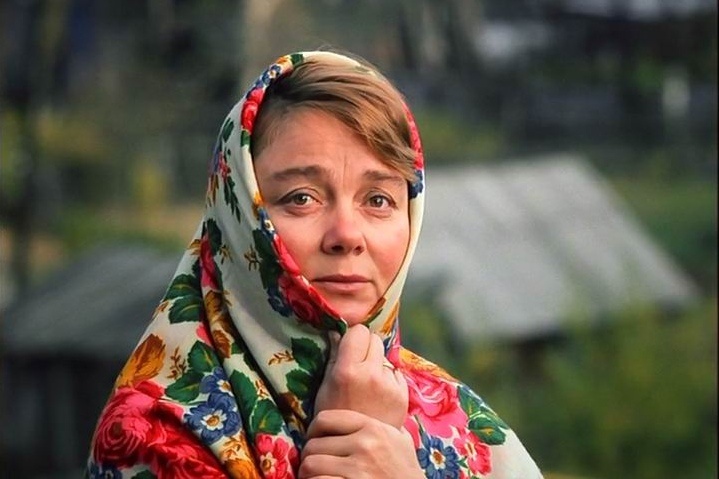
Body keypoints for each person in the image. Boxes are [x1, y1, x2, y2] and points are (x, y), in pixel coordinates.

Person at [86, 50, 543, 479]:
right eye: (301, 198)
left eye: (378, 200)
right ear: (239, 213)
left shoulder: (459, 419)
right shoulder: (156, 429)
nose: (347, 235)